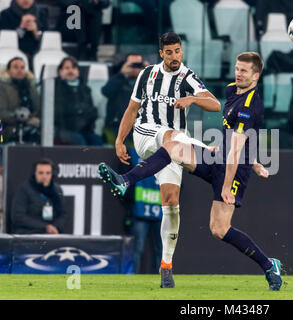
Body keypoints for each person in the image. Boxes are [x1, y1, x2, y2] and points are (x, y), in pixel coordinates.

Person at [98, 52, 283, 291]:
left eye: (244, 71)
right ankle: (124, 180)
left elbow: (237, 149)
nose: (238, 73)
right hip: (217, 156)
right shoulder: (231, 90)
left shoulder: (250, 103)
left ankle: (269, 265)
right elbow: (240, 138)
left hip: (234, 170)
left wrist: (230, 183)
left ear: (256, 76)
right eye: (237, 68)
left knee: (219, 229)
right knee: (173, 146)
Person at [101, 32, 221, 287]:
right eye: (170, 52)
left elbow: (216, 105)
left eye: (178, 51)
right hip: (146, 134)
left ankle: (166, 265)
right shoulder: (146, 75)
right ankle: (127, 180)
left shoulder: (187, 76)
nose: (175, 56)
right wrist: (120, 140)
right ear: (161, 53)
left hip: (172, 149)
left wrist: (193, 99)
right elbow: (132, 109)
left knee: (171, 202)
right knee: (172, 135)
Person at [54, 56, 102, 146]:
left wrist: (82, 114)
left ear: (78, 71)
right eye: (67, 68)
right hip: (63, 130)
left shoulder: (85, 89)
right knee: (80, 141)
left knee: (97, 140)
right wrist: (79, 110)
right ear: (60, 72)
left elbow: (92, 111)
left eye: (74, 68)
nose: (70, 71)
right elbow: (59, 112)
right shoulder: (55, 88)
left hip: (85, 129)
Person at [102, 53, 147, 148]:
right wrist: (121, 74)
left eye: (139, 65)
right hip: (116, 127)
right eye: (132, 65)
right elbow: (106, 91)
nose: (135, 69)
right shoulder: (118, 80)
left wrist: (149, 75)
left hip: (139, 129)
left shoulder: (146, 83)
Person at [10, 158, 67, 234]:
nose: (44, 176)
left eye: (48, 173)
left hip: (52, 234)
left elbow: (63, 214)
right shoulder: (24, 189)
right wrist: (45, 227)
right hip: (28, 234)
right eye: (41, 173)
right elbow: (18, 217)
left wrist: (54, 227)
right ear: (34, 173)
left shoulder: (57, 190)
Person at [129, 148, 162, 274]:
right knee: (137, 249)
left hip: (160, 212)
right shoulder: (133, 154)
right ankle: (132, 277)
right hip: (140, 211)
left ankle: (161, 278)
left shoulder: (166, 155)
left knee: (160, 250)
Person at [0, 57, 41, 144]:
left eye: (22, 67)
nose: (20, 70)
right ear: (8, 70)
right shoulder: (2, 88)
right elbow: (2, 113)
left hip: (34, 127)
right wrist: (24, 119)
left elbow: (39, 109)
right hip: (9, 130)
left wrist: (36, 120)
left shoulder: (32, 87)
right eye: (15, 67)